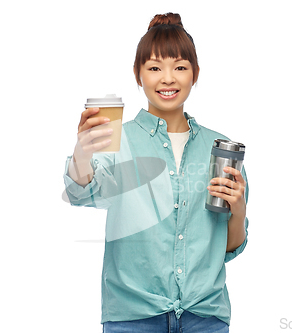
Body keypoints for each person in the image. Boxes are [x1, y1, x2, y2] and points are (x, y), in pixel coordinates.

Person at [63, 12, 249, 333]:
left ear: (195, 74)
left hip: (204, 317)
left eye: (179, 67)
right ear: (138, 74)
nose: (167, 78)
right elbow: (82, 194)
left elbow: (230, 248)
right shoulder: (119, 140)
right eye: (154, 68)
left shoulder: (219, 148)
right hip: (133, 317)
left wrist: (239, 208)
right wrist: (83, 150)